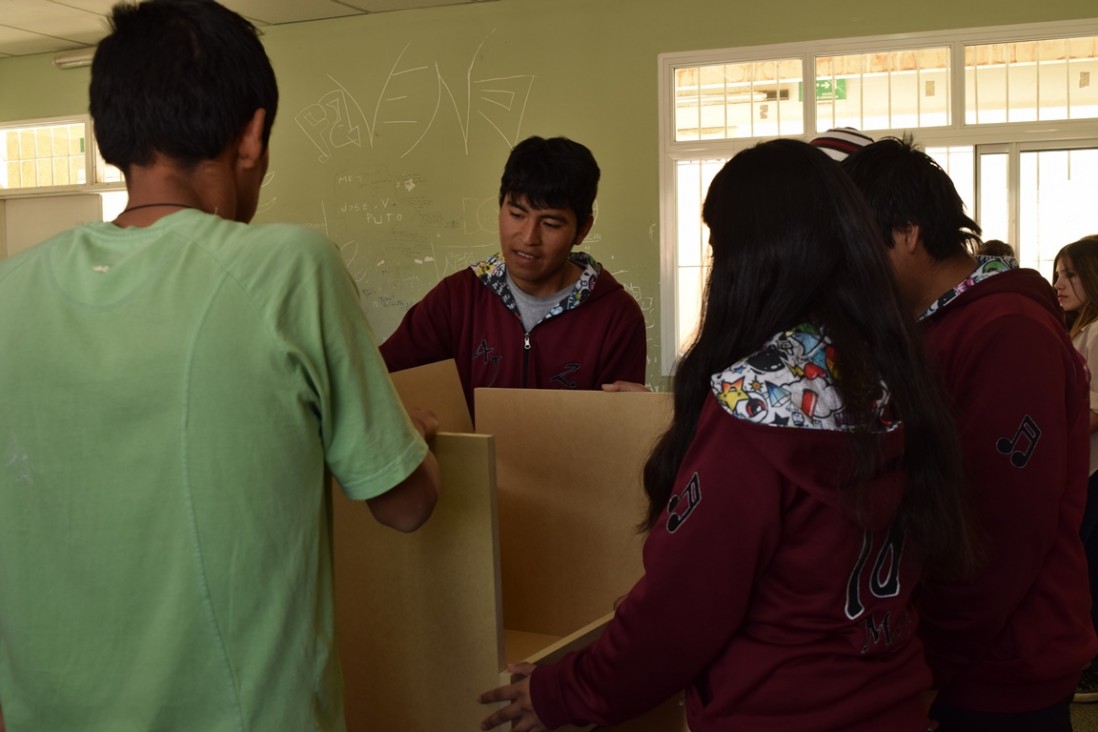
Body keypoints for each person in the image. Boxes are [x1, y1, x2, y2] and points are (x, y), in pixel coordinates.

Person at [0, 2, 439, 731]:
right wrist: (410, 439)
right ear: (253, 135)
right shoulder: (289, 268)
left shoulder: (11, 292)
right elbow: (405, 504)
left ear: (113, 131)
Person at [479, 138, 979, 732]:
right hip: (890, 702)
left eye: (718, 246)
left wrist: (565, 690)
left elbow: (680, 611)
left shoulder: (753, 408)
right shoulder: (891, 371)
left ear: (753, 259)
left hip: (774, 710)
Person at [842, 136, 1096, 732]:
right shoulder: (938, 325)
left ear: (906, 233)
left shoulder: (1005, 330)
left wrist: (937, 658)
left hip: (998, 665)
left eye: (857, 248)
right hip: (957, 650)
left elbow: (1000, 526)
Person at [379, 135, 647, 413]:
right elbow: (381, 380)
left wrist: (639, 417)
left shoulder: (617, 317)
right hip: (469, 459)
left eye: (551, 223)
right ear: (500, 209)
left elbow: (618, 434)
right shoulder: (455, 299)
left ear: (582, 229)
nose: (529, 237)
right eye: (517, 215)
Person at [1053, 234, 1098, 704]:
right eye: (1059, 274)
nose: (1060, 283)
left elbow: (1091, 415)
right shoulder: (1080, 329)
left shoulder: (1097, 332)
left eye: (1072, 274)